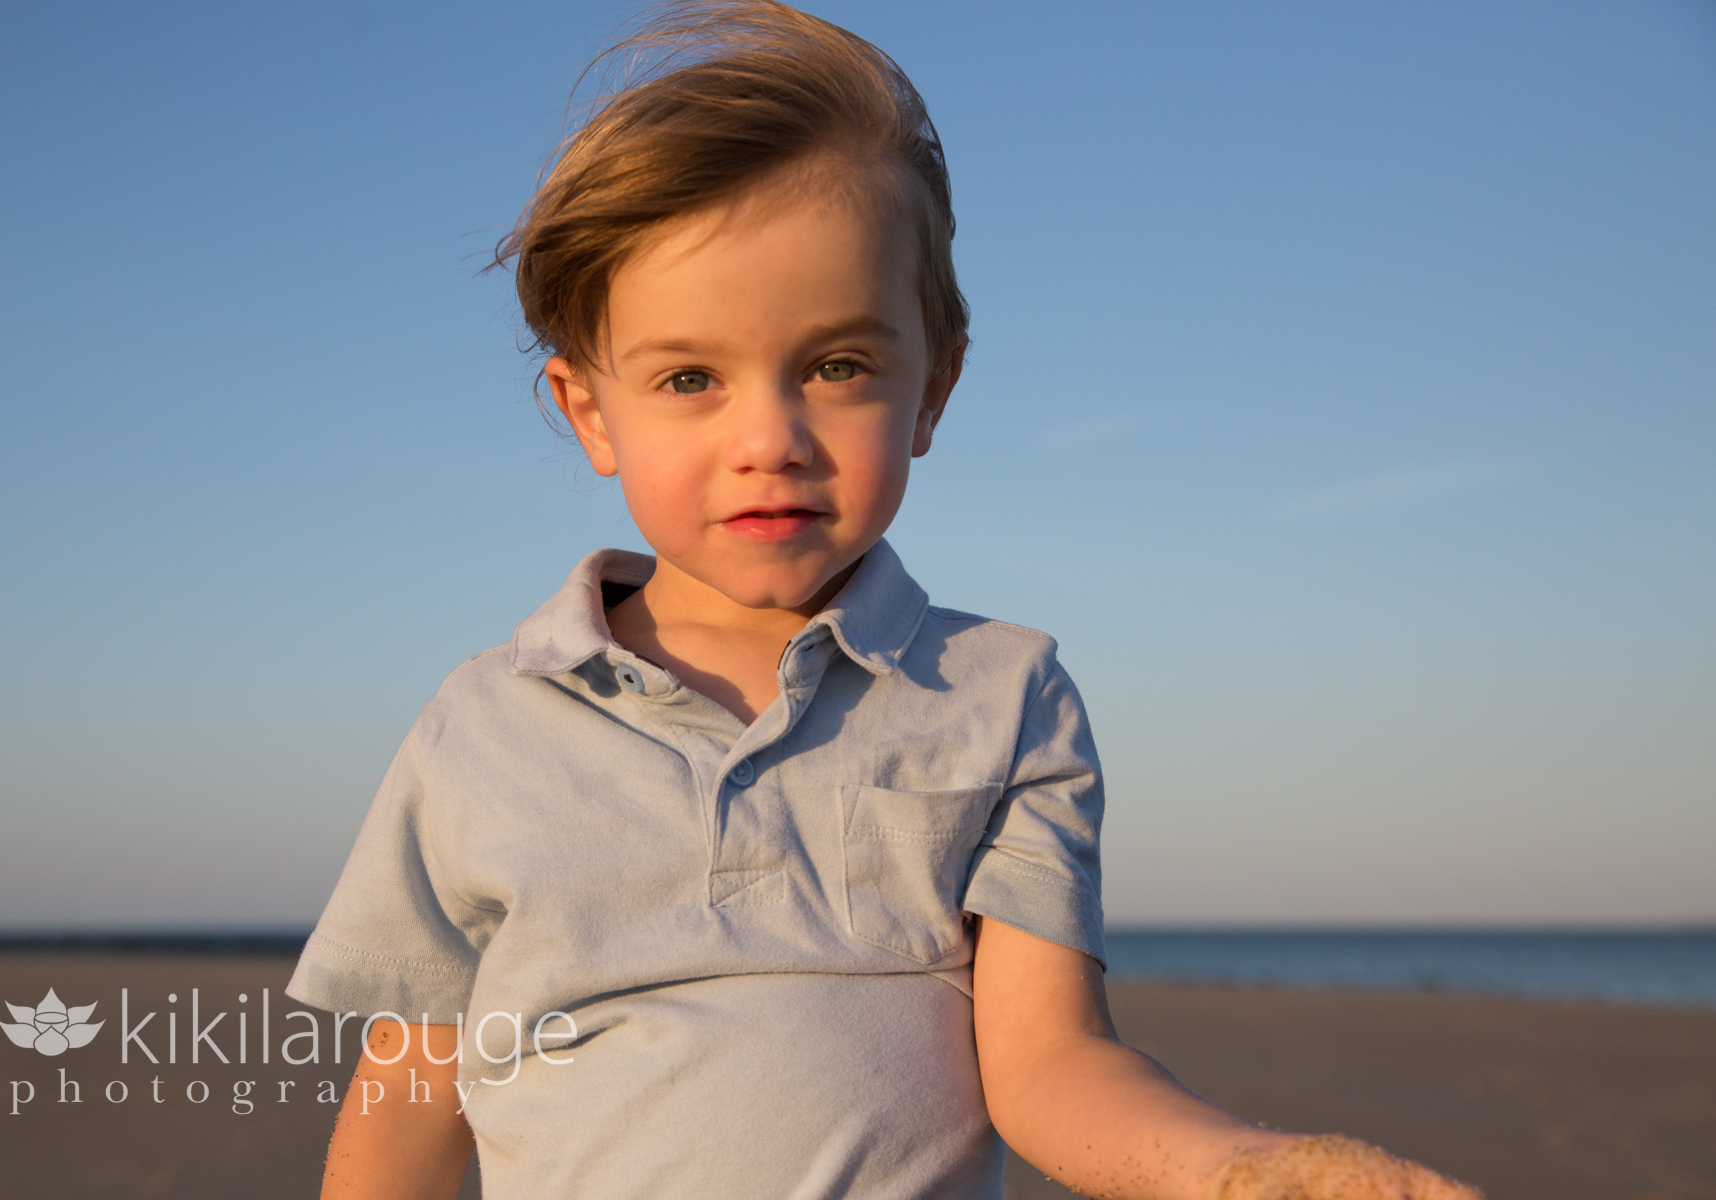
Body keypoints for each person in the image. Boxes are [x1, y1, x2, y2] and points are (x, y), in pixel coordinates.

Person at [287, 3, 1482, 1198]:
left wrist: (1249, 1169)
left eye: (838, 367)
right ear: (592, 410)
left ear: (933, 386)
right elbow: (407, 1104)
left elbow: (1052, 1064)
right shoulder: (487, 728)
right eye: (690, 378)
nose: (770, 439)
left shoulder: (1002, 698)